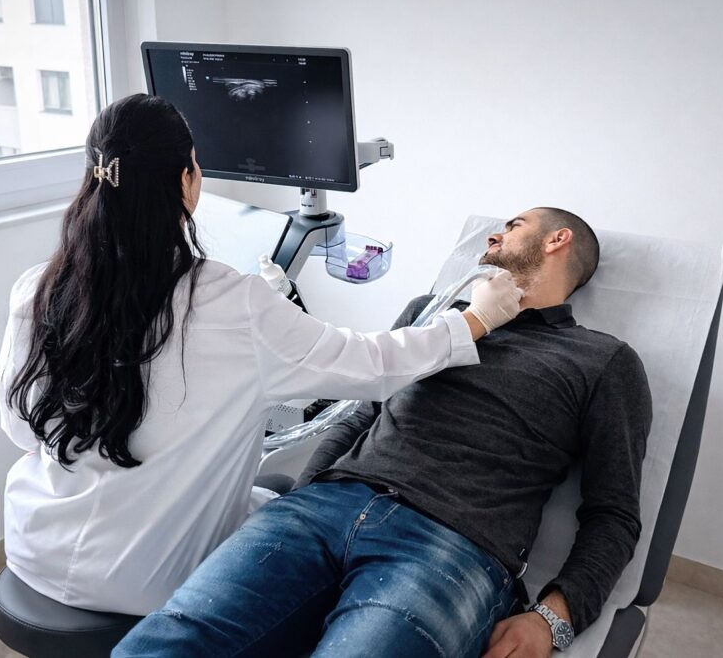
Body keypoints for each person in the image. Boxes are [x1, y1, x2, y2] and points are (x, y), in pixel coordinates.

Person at [0, 93, 524, 616]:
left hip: (35, 545)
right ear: (186, 181)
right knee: (293, 520)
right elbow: (373, 365)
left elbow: (23, 430)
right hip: (150, 579)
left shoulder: (39, 289)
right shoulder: (237, 305)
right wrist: (475, 319)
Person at [112, 207, 653, 658]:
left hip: (454, 544)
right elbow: (359, 415)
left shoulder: (602, 360)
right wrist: (303, 497)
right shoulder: (433, 316)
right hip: (321, 510)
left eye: (513, 226)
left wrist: (553, 617)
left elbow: (614, 512)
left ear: (558, 240)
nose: (493, 236)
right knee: (172, 640)